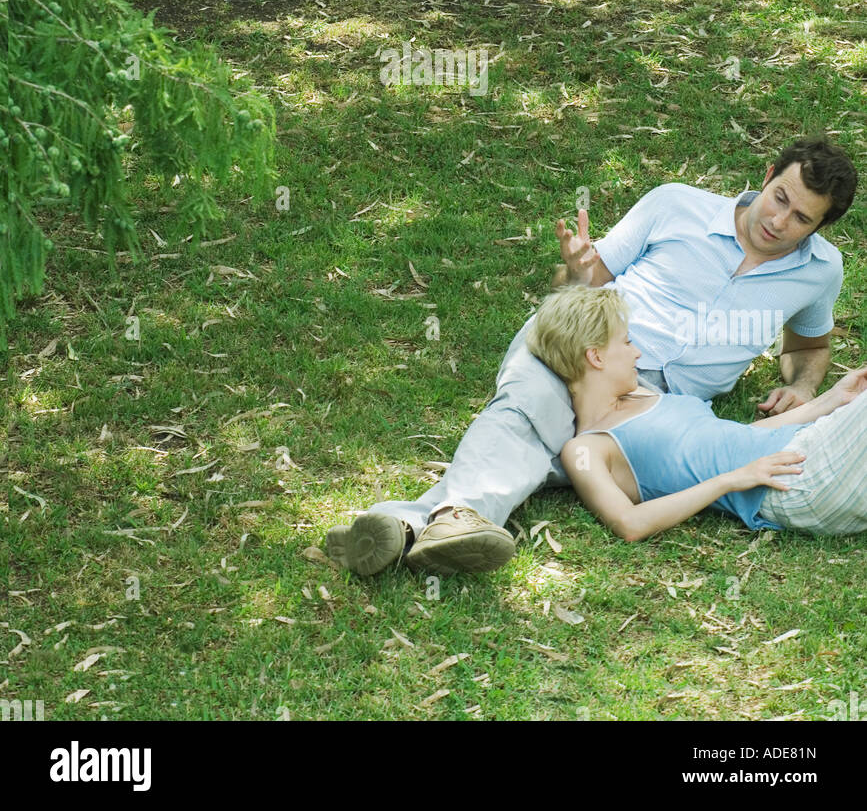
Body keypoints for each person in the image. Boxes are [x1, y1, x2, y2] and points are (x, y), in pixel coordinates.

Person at [326, 135, 857, 576]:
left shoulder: (820, 270)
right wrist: (578, 272)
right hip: (594, 343)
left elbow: (809, 345)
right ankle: (455, 516)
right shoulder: (676, 205)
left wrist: (803, 384)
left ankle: (406, 525)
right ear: (767, 175)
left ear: (820, 227)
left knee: (552, 447)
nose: (779, 222)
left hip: (662, 404)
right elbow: (582, 283)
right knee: (527, 413)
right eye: (780, 198)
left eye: (801, 219)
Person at [530, 282, 867, 539]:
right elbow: (628, 523)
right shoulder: (586, 448)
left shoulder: (643, 395)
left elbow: (737, 437)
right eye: (627, 342)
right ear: (596, 357)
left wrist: (832, 400)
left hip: (806, 446)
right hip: (791, 483)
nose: (637, 353)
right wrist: (731, 481)